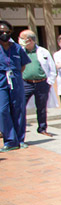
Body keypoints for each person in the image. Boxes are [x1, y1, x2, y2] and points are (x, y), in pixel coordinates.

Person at [0, 21, 31, 151]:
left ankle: (20, 139)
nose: (4, 34)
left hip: (16, 80)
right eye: (1, 32)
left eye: (7, 32)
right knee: (3, 110)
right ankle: (10, 140)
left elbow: (23, 65)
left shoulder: (17, 48)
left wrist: (15, 75)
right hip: (1, 81)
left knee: (18, 109)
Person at [19, 30, 56, 138]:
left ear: (29, 40)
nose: (20, 40)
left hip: (41, 83)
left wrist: (49, 82)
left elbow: (52, 68)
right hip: (26, 83)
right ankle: (20, 128)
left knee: (42, 107)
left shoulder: (43, 52)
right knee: (20, 106)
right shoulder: (20, 51)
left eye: (22, 38)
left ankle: (42, 128)